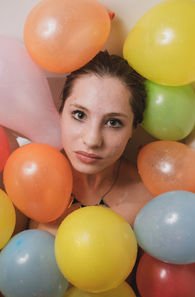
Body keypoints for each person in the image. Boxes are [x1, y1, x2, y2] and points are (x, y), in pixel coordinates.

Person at [29, 50, 153, 234]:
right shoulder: (27, 177)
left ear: (132, 129)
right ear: (61, 113)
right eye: (79, 115)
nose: (92, 140)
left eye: (113, 122)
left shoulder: (148, 201)